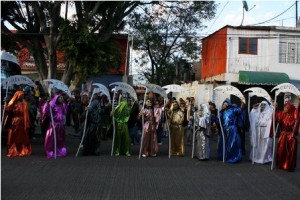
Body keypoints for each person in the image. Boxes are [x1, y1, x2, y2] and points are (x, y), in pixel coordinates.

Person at [4, 91, 32, 157]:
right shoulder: (13, 103)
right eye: (21, 95)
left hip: (22, 122)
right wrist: (6, 102)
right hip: (15, 121)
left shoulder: (24, 103)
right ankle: (13, 149)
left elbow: (27, 113)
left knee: (22, 136)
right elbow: (8, 110)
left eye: (23, 95)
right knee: (13, 135)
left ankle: (22, 148)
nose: (22, 96)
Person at [43, 93, 68, 159]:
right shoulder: (52, 105)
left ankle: (59, 150)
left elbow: (65, 112)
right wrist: (47, 104)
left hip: (61, 125)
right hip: (54, 124)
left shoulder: (63, 105)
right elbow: (46, 111)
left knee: (60, 138)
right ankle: (50, 151)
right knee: (51, 139)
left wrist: (64, 105)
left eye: (62, 98)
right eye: (60, 98)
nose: (62, 99)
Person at [276, 102, 299, 171]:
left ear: (289, 108)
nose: (284, 108)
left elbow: (295, 127)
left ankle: (288, 165)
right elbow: (277, 115)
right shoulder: (283, 114)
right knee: (281, 150)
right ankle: (281, 164)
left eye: (286, 107)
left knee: (289, 152)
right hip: (283, 136)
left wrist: (293, 134)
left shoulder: (294, 117)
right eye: (284, 107)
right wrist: (275, 108)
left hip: (290, 136)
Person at [217, 99, 242, 163]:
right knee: (224, 143)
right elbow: (218, 120)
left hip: (232, 129)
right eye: (223, 104)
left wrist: (241, 104)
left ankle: (233, 156)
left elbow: (240, 110)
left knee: (232, 143)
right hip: (224, 130)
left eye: (225, 104)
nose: (223, 106)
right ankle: (224, 155)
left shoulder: (233, 110)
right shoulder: (222, 112)